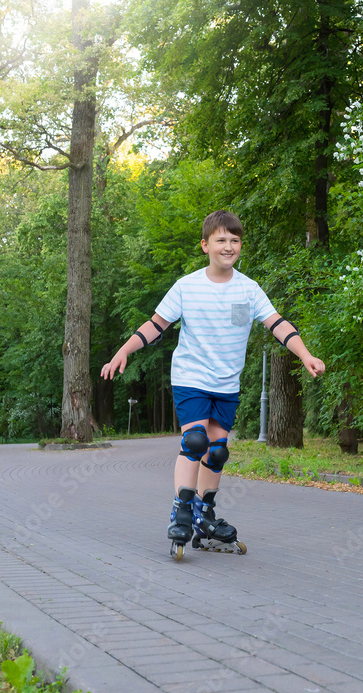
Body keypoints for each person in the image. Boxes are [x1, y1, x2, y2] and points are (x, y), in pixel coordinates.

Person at [100, 209, 325, 560]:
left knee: (217, 451)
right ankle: (181, 511)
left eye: (235, 240)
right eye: (221, 240)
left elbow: (278, 323)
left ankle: (204, 515)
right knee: (195, 441)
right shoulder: (187, 286)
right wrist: (123, 351)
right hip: (191, 378)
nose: (228, 246)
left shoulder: (249, 289)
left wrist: (305, 354)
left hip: (227, 384)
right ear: (205, 245)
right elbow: (156, 324)